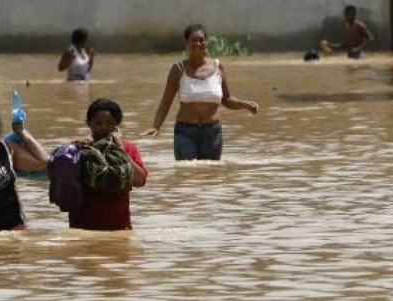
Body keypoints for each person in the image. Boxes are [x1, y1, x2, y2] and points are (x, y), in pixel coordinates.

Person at [141, 24, 259, 161]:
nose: (198, 43)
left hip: (213, 132)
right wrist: (156, 126)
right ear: (186, 43)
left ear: (206, 42)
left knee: (210, 175)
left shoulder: (217, 66)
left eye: (201, 40)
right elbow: (166, 101)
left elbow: (226, 99)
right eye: (193, 40)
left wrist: (246, 105)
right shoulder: (178, 69)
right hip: (185, 133)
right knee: (186, 173)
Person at [69, 98, 147, 231]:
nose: (104, 128)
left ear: (117, 124)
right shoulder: (78, 149)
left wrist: (121, 150)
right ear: (89, 123)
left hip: (120, 228)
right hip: (82, 228)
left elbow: (139, 181)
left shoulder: (128, 148)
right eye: (98, 123)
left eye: (110, 123)